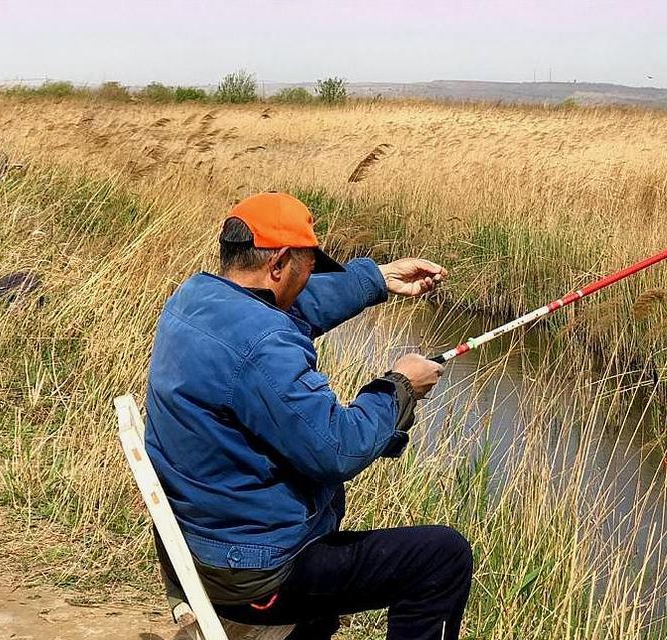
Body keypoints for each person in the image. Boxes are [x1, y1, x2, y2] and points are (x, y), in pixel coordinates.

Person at [145, 192, 473, 640]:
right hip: (255, 573)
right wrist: (399, 386)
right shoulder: (263, 345)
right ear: (278, 264)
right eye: (309, 265)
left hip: (204, 547)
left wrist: (378, 278)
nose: (312, 275)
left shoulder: (197, 300)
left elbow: (293, 309)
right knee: (441, 556)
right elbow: (338, 449)